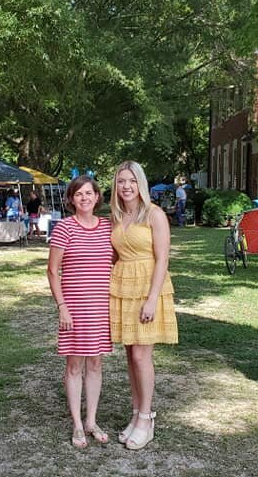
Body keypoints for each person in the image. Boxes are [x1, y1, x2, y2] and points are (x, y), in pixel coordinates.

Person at [110, 160, 178, 450]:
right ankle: (136, 414)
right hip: (123, 285)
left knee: (141, 356)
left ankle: (147, 419)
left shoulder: (154, 214)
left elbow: (163, 258)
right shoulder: (116, 216)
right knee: (129, 355)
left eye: (132, 181)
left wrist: (152, 299)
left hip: (148, 286)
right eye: (121, 181)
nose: (126, 186)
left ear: (141, 184)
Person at [47, 175, 114, 449]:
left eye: (89, 193)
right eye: (79, 194)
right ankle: (76, 424)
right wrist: (62, 306)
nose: (84, 198)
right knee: (74, 365)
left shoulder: (108, 227)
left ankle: (91, 421)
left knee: (96, 363)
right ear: (71, 199)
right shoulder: (65, 228)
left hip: (100, 307)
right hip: (74, 307)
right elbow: (53, 270)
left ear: (97, 197)